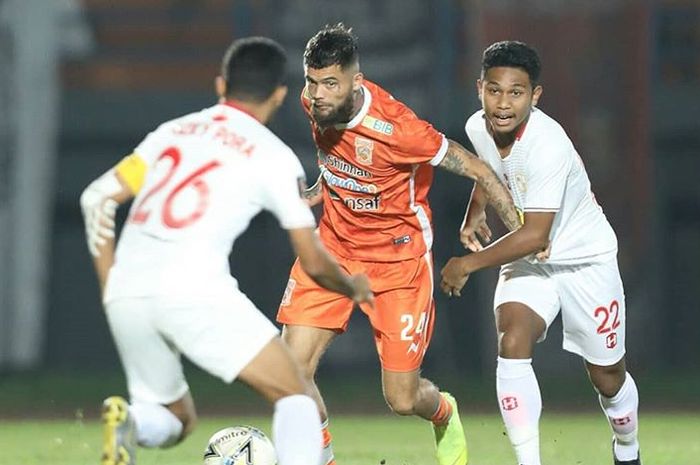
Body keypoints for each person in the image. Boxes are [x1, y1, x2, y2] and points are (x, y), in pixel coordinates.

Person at [79, 37, 374, 465]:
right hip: (192, 288)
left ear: (221, 85)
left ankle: (133, 425)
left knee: (175, 418)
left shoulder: (171, 132)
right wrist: (350, 287)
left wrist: (112, 287)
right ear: (279, 95)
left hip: (128, 292)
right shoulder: (274, 156)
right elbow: (311, 259)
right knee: (296, 396)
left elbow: (97, 199)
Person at [276, 24, 522, 465]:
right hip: (333, 249)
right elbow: (331, 153)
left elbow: (480, 169)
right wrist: (320, 186)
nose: (317, 95)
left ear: (357, 80)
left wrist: (520, 231)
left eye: (330, 83)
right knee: (291, 372)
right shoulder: (315, 104)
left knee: (402, 398)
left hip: (398, 264)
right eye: (312, 82)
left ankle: (444, 412)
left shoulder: (399, 129)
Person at [440, 40, 642, 465]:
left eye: (516, 93)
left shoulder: (548, 144)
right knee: (512, 340)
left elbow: (535, 235)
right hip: (530, 262)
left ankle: (628, 448)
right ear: (480, 88)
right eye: (494, 90)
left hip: (585, 259)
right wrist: (475, 211)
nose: (503, 103)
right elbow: (489, 168)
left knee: (607, 377)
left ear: (535, 96)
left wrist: (467, 264)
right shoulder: (478, 126)